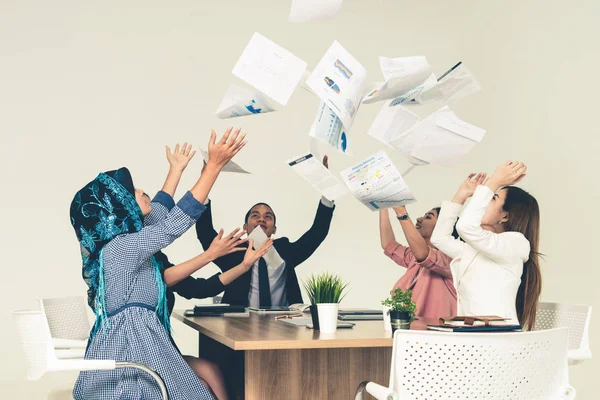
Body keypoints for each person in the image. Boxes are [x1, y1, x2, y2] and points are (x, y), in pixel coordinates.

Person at [69, 128, 266, 400]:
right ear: (120, 208)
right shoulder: (120, 249)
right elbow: (173, 225)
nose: (141, 190)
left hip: (144, 353)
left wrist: (176, 170)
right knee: (202, 390)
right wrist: (214, 167)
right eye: (132, 191)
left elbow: (161, 214)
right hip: (133, 366)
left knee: (206, 383)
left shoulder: (126, 242)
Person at [195, 156, 335, 307]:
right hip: (238, 324)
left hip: (283, 324)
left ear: (274, 229)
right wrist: (205, 180)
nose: (261, 219)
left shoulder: (286, 250)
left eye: (267, 217)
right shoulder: (233, 251)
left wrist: (326, 187)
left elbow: (317, 233)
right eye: (255, 216)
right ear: (245, 227)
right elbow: (205, 232)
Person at [431, 162, 542, 330]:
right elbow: (440, 239)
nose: (483, 201)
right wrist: (461, 194)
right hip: (476, 335)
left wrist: (494, 183)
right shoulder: (480, 250)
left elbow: (465, 227)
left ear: (504, 216)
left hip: (497, 338)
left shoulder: (515, 243)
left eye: (492, 198)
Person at [379, 205, 457, 318]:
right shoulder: (413, 258)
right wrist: (382, 206)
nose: (419, 219)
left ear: (442, 227)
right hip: (411, 329)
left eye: (428, 217)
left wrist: (402, 213)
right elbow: (388, 244)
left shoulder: (450, 259)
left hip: (437, 333)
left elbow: (423, 254)